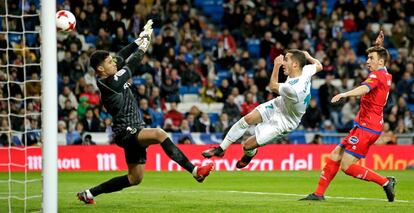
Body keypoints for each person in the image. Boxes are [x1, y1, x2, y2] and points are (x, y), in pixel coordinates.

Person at [77, 20, 213, 205]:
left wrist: (137, 40)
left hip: (133, 128)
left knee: (135, 178)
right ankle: (195, 171)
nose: (114, 62)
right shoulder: (109, 83)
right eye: (109, 62)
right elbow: (132, 63)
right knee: (159, 134)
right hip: (125, 131)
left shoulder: (109, 73)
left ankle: (89, 193)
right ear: (100, 68)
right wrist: (143, 46)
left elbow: (121, 56)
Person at [300, 30, 396, 202]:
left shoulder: (376, 75)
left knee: (346, 166)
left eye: (370, 59)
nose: (367, 62)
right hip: (366, 125)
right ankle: (318, 194)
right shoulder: (385, 74)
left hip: (367, 128)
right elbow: (382, 61)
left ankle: (385, 182)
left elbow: (364, 89)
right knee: (336, 154)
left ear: (380, 61)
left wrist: (344, 94)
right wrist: (378, 46)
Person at [202, 49, 323, 169]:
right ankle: (221, 149)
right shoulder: (306, 70)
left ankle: (250, 155)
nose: (283, 63)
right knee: (247, 119)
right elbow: (319, 65)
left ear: (295, 64)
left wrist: (276, 65)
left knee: (247, 146)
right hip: (280, 104)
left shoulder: (294, 89)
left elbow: (272, 86)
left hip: (285, 121)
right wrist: (308, 56)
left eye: (286, 60)